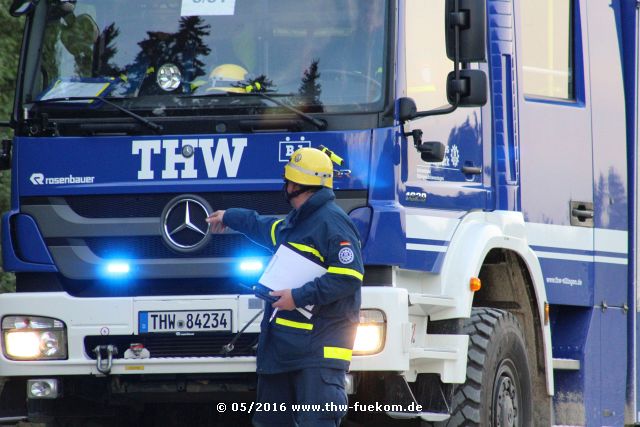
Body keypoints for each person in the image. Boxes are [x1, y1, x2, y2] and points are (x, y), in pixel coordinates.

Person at [206, 147, 363, 427]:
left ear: (296, 185)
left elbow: (348, 276)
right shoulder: (298, 222)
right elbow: (263, 226)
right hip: (283, 352)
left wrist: (297, 297)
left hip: (318, 353)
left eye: (289, 181)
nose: (285, 187)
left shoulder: (332, 222)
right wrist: (229, 216)